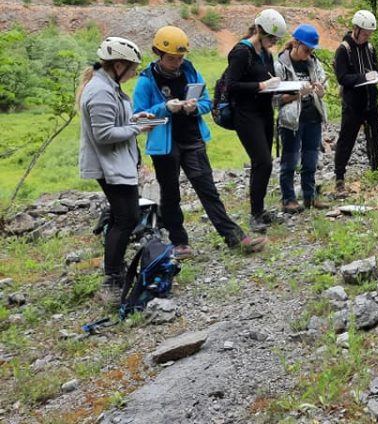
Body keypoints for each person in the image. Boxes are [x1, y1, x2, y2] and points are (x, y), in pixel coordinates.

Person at [133, 26, 266, 256]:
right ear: (158, 53)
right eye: (171, 59)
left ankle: (235, 238)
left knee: (208, 190)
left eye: (180, 58)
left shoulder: (190, 71)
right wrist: (165, 108)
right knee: (171, 193)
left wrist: (194, 108)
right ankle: (179, 242)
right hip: (165, 145)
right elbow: (139, 119)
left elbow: (206, 102)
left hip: (192, 139)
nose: (176, 63)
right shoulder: (146, 81)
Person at [78, 37, 151, 303]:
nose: (134, 73)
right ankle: (112, 277)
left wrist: (134, 118)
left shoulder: (109, 85)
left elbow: (114, 119)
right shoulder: (100, 91)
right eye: (132, 67)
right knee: (126, 218)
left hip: (117, 162)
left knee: (125, 217)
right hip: (109, 165)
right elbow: (104, 134)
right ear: (118, 65)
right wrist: (137, 129)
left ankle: (115, 268)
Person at [226, 9, 287, 233]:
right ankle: (254, 214)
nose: (273, 43)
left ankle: (259, 210)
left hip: (264, 112)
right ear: (260, 31)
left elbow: (268, 79)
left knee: (263, 162)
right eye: (271, 38)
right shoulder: (242, 52)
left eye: (276, 40)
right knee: (263, 161)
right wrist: (260, 86)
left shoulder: (266, 54)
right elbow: (230, 86)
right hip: (246, 113)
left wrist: (278, 86)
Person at [274, 24, 330, 212]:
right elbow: (275, 99)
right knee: (289, 161)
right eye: (306, 50)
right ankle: (288, 199)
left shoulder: (314, 63)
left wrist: (321, 91)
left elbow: (322, 86)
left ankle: (310, 196)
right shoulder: (280, 65)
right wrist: (297, 93)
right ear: (296, 43)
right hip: (291, 121)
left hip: (313, 117)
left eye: (311, 50)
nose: (308, 54)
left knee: (310, 160)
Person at [333, 9, 378, 195]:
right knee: (346, 140)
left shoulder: (369, 48)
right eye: (364, 34)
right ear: (355, 29)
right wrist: (363, 77)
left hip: (371, 101)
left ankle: (376, 170)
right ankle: (339, 178)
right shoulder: (343, 50)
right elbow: (342, 78)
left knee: (374, 137)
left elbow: (374, 69)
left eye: (369, 35)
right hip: (353, 104)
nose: (366, 37)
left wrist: (376, 76)